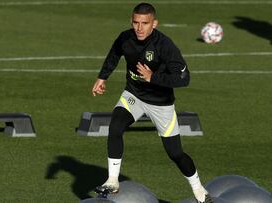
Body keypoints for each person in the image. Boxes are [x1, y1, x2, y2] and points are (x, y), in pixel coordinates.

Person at [91, 3, 213, 203]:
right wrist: (102, 78)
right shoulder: (126, 37)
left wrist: (153, 77)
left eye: (145, 23)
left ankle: (199, 190)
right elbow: (114, 53)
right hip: (134, 96)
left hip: (160, 104)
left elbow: (184, 79)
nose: (139, 28)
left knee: (175, 153)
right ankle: (112, 180)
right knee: (115, 125)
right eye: (136, 22)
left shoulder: (165, 46)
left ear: (154, 24)